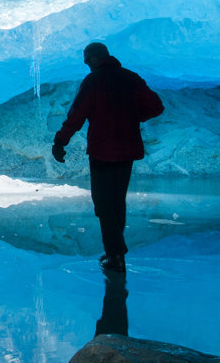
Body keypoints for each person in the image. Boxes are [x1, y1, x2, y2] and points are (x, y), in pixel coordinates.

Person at [51, 42, 164, 273]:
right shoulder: (131, 78)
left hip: (102, 151)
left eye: (86, 62)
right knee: (117, 202)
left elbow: (77, 115)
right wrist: (132, 116)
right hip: (127, 150)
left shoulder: (94, 81)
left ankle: (116, 255)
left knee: (103, 205)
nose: (87, 66)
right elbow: (156, 106)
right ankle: (115, 252)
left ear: (93, 59)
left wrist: (60, 141)